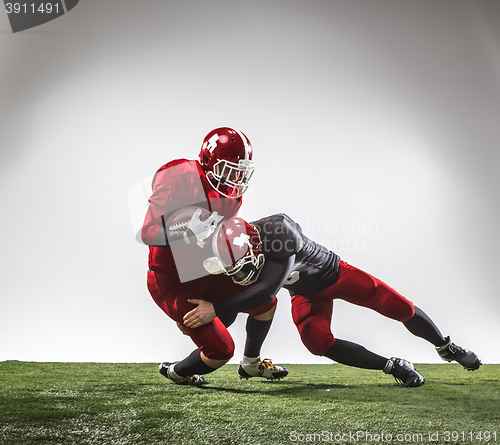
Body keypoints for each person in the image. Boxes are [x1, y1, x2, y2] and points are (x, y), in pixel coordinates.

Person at [183, 213, 481, 387]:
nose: (243, 275)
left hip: (333, 273)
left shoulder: (278, 231)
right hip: (305, 292)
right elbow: (236, 292)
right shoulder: (227, 248)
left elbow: (265, 292)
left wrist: (216, 309)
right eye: (236, 270)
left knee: (397, 306)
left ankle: (446, 347)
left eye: (247, 267)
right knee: (316, 342)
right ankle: (392, 366)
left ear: (259, 248)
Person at [141, 128, 287, 386]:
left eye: (240, 173)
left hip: (206, 270)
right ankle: (176, 372)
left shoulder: (232, 195)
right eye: (229, 170)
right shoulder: (180, 177)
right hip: (172, 278)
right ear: (208, 162)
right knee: (221, 351)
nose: (235, 180)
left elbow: (218, 238)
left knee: (266, 302)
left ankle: (251, 363)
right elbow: (148, 232)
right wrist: (183, 233)